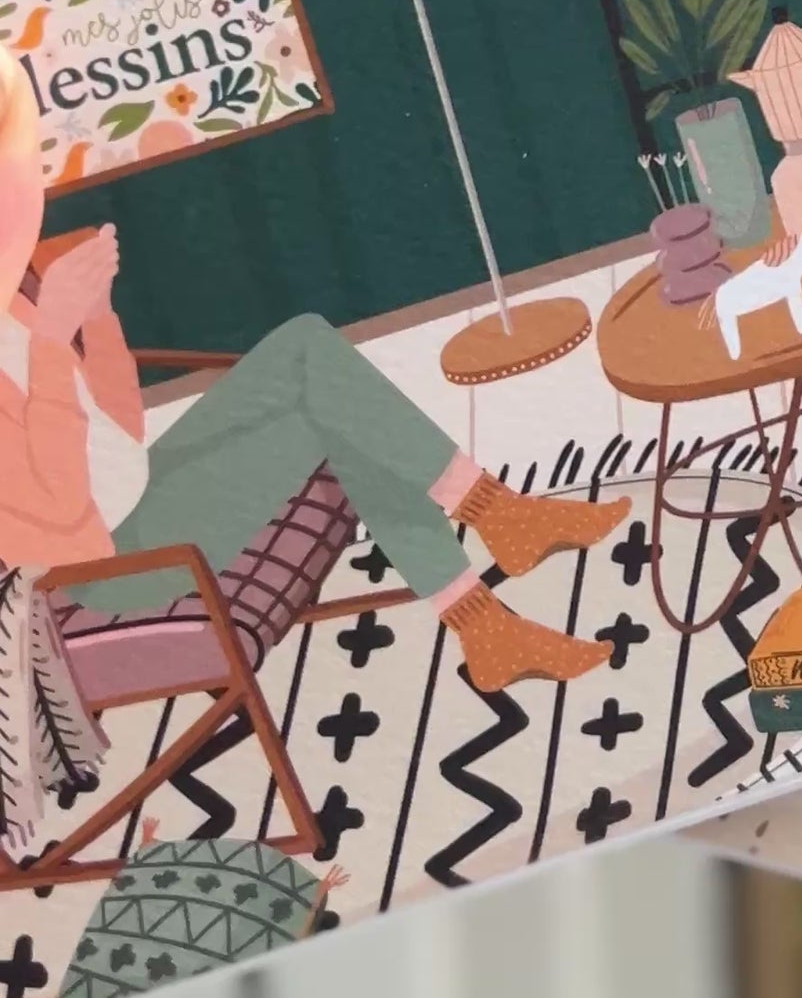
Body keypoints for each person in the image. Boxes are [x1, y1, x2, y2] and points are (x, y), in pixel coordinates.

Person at [0, 47, 620, 693]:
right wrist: (52, 340)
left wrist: (97, 318)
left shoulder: (13, 300)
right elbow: (61, 516)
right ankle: (495, 549)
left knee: (316, 366)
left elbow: (118, 432)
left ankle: (490, 610)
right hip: (105, 568)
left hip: (143, 491)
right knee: (332, 404)